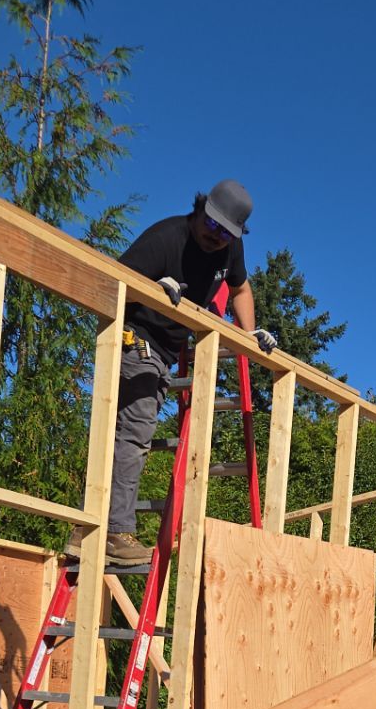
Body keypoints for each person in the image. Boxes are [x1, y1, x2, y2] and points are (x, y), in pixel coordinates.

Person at [71, 178, 276, 570]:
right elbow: (108, 283)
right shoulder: (166, 238)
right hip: (136, 339)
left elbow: (241, 289)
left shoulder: (229, 249)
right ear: (200, 209)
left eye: (225, 233)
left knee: (126, 436)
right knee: (134, 434)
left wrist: (249, 337)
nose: (215, 237)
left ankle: (86, 532)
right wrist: (146, 287)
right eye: (211, 226)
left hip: (166, 351)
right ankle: (113, 532)